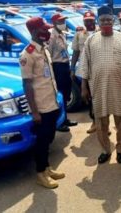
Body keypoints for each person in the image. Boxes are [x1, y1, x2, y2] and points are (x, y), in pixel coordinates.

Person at [80, 6, 121, 164]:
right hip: (99, 89)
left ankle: (120, 150)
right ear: (98, 22)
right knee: (101, 122)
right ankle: (106, 150)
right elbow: (85, 66)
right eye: (103, 20)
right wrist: (83, 87)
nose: (106, 22)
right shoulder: (90, 40)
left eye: (108, 19)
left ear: (113, 20)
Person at [19, 17, 65, 189]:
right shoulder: (28, 54)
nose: (46, 32)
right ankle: (40, 174)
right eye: (42, 30)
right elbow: (27, 84)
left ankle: (46, 168)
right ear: (34, 32)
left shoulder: (44, 49)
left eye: (47, 29)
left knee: (49, 138)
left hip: (51, 102)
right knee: (42, 140)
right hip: (41, 107)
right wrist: (35, 112)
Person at [49, 13, 77, 132]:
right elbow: (49, 55)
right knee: (59, 95)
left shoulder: (62, 34)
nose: (63, 23)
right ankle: (58, 122)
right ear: (54, 23)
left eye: (63, 21)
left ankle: (64, 119)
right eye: (60, 22)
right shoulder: (51, 35)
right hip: (57, 66)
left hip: (65, 65)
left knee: (66, 94)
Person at [71, 11, 98, 134]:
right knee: (90, 97)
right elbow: (76, 52)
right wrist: (72, 68)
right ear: (84, 22)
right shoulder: (79, 35)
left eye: (91, 20)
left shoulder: (101, 32)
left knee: (102, 96)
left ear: (94, 20)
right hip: (85, 70)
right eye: (87, 20)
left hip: (99, 69)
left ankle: (104, 125)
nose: (89, 22)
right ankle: (94, 122)